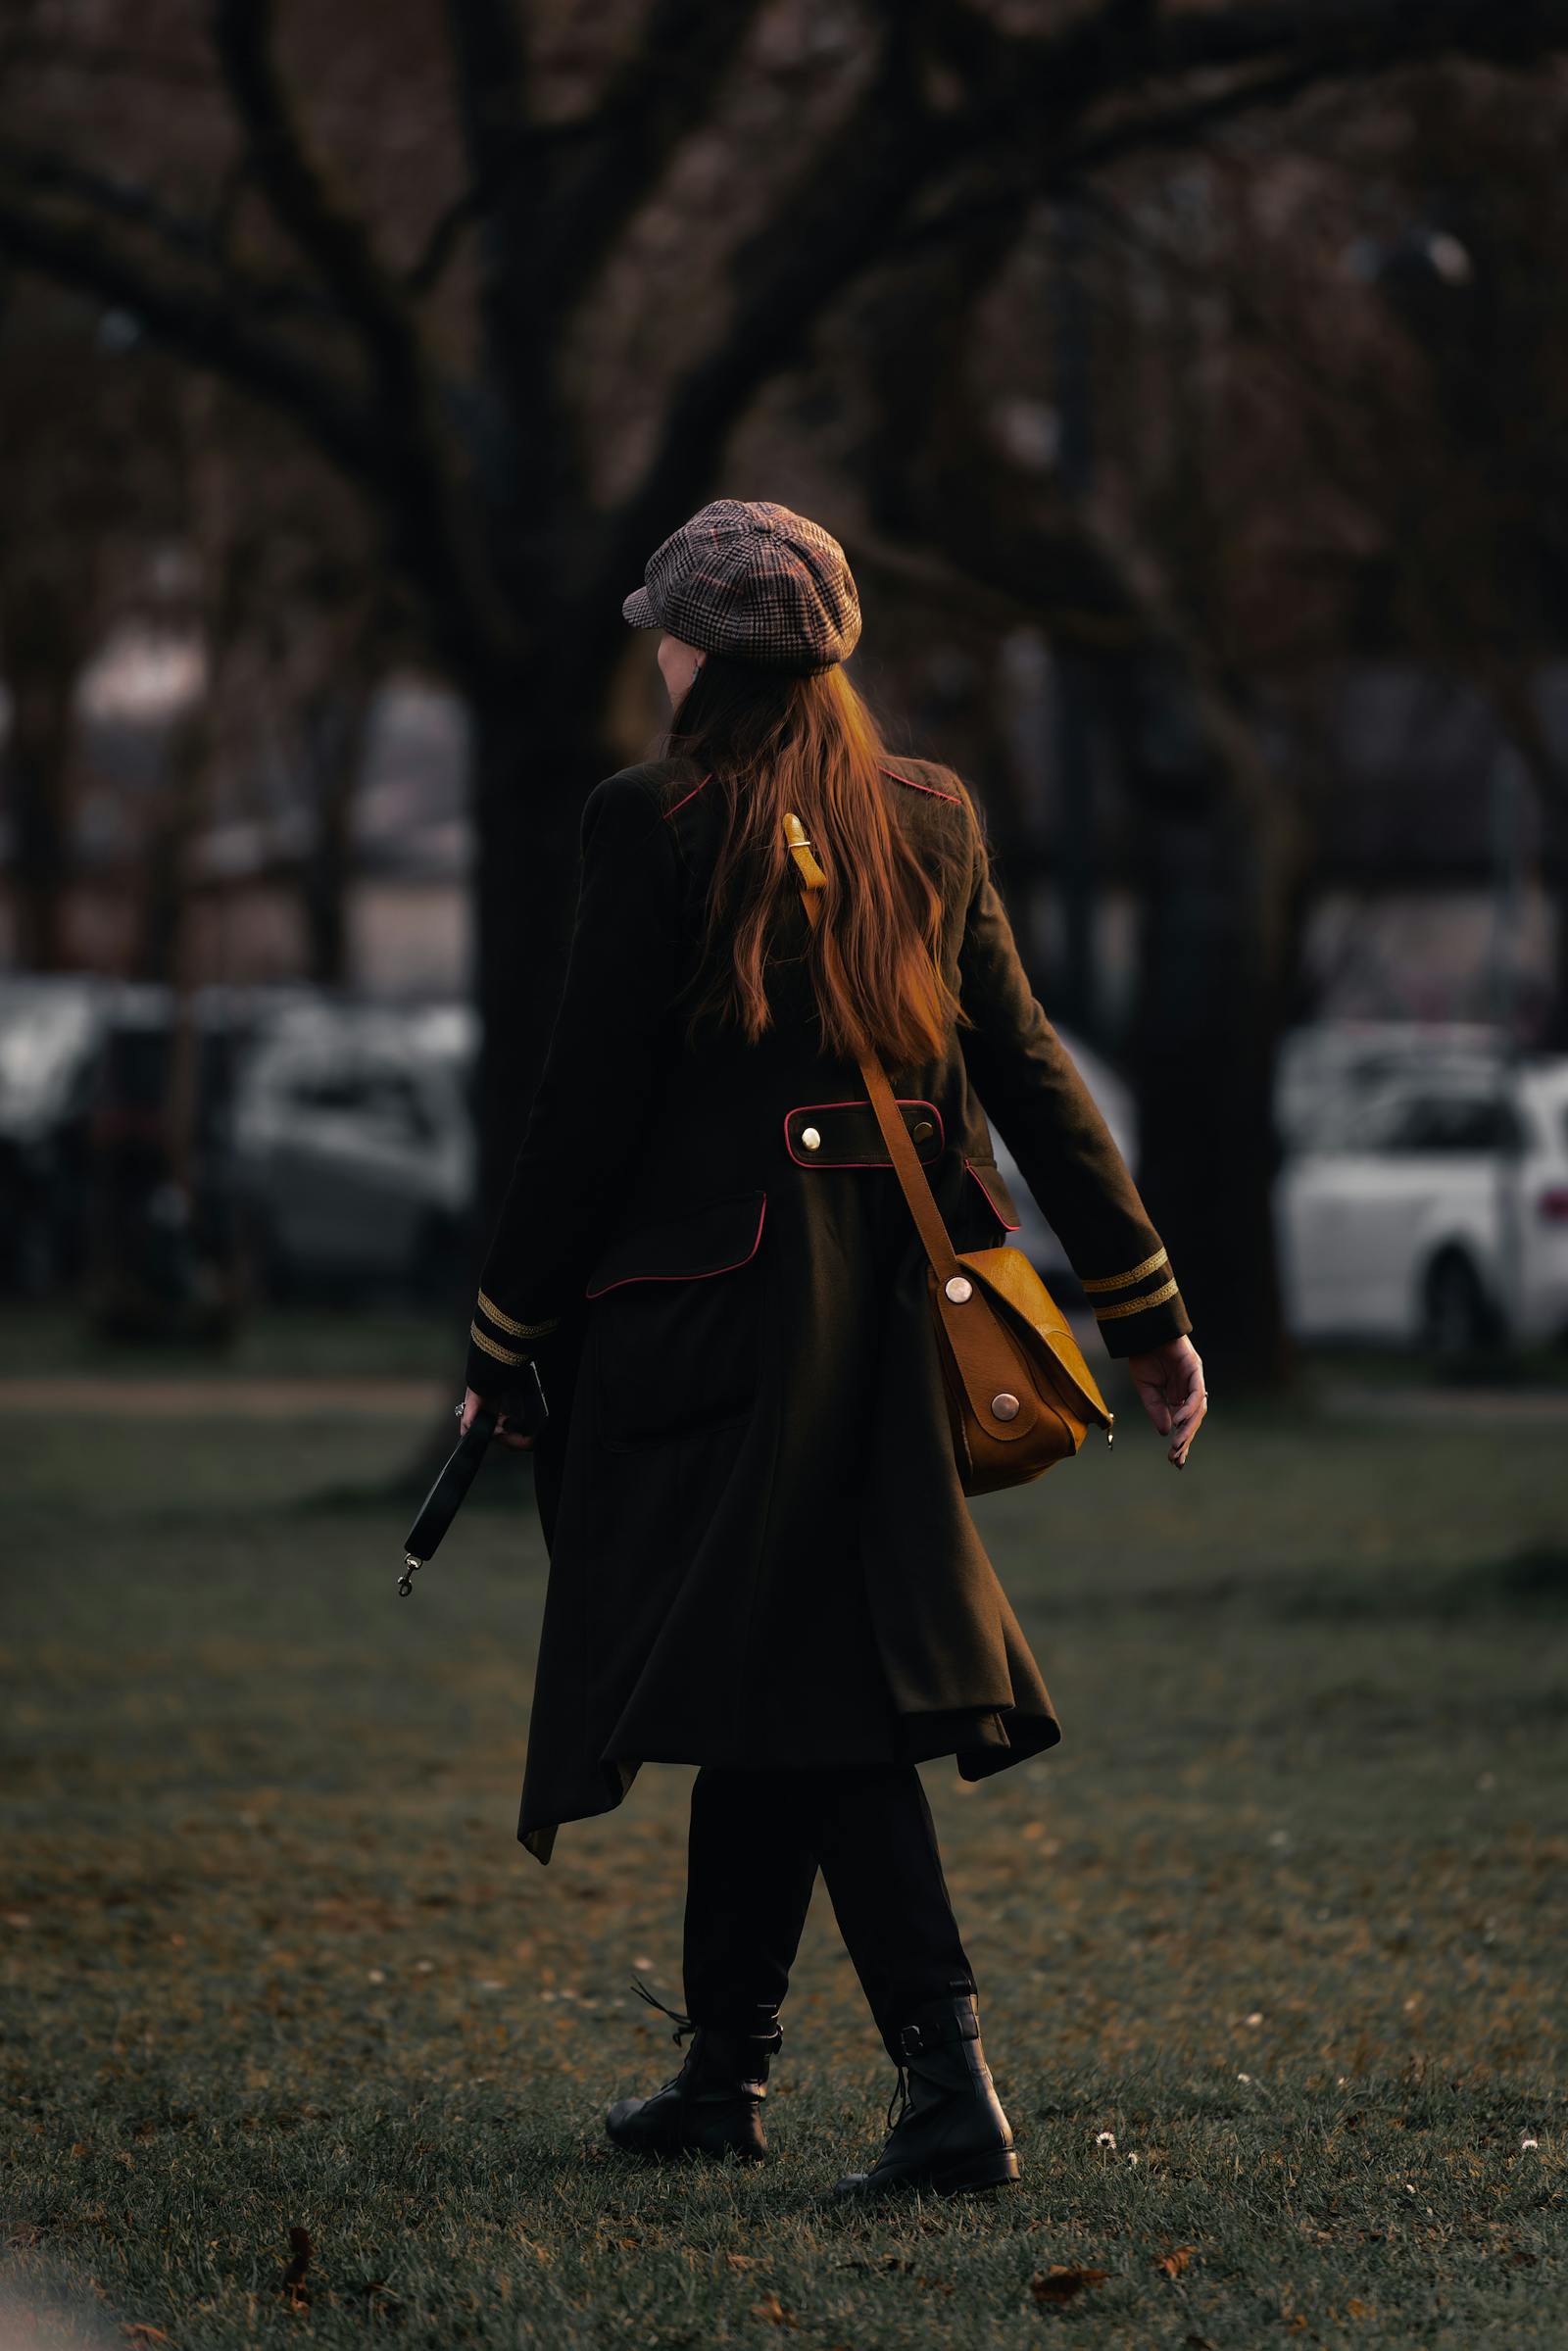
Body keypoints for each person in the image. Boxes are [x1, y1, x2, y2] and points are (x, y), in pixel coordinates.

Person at [458, 498, 1206, 2200]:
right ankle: (725, 2078)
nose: (653, 649)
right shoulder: (930, 817)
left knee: (810, 1703)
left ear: (701, 657)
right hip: (892, 1330)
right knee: (782, 1689)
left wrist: (505, 1336)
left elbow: (583, 1113)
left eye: (666, 629)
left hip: (711, 1332)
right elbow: (1033, 1074)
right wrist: (1147, 1309)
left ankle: (949, 2092)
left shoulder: (647, 819)